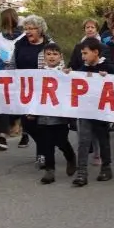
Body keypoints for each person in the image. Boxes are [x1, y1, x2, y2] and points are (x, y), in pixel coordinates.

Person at [0, 15, 60, 168]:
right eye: (26, 29)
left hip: (43, 91)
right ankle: (45, 148)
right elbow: (12, 64)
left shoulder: (49, 45)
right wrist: (8, 77)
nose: (27, 31)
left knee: (42, 123)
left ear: (40, 30)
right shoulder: (20, 43)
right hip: (24, 90)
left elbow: (58, 65)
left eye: (31, 28)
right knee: (28, 123)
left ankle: (43, 153)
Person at [66, 37, 114, 187]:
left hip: (101, 111)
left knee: (103, 140)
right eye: (82, 53)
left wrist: (108, 76)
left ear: (96, 52)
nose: (83, 57)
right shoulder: (82, 69)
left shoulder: (107, 66)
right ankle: (82, 173)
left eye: (85, 53)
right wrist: (67, 74)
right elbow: (75, 79)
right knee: (83, 141)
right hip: (86, 111)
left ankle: (106, 168)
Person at [38, 43, 77, 184]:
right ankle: (50, 170)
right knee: (47, 143)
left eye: (55, 54)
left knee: (61, 141)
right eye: (48, 54)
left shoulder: (66, 72)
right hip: (44, 114)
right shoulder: (38, 73)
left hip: (60, 115)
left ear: (60, 56)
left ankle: (71, 156)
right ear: (44, 57)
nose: (51, 57)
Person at [0, 9, 25, 150]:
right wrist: (3, 59)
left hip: (19, 75)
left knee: (21, 103)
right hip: (4, 73)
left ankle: (24, 133)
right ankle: (2, 136)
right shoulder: (0, 36)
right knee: (4, 103)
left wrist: (14, 59)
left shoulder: (22, 35)